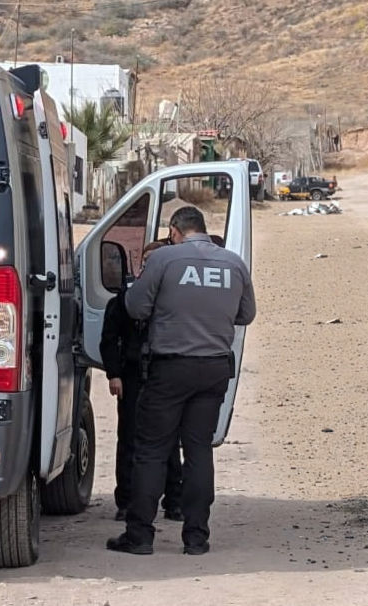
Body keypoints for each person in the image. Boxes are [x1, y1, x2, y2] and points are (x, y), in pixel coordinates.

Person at [107, 206, 256, 556]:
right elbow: (245, 315)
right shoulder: (233, 263)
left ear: (174, 230)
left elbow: (135, 307)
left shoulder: (165, 260)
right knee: (199, 451)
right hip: (214, 369)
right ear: (203, 228)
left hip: (170, 369)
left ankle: (140, 535)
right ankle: (196, 538)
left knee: (152, 451)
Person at [100, 241, 183, 523]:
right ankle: (126, 501)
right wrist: (114, 374)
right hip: (133, 375)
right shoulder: (124, 300)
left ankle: (174, 501)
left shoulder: (174, 300)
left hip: (165, 374)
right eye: (146, 261)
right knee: (129, 440)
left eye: (156, 261)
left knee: (170, 441)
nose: (149, 266)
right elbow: (109, 340)